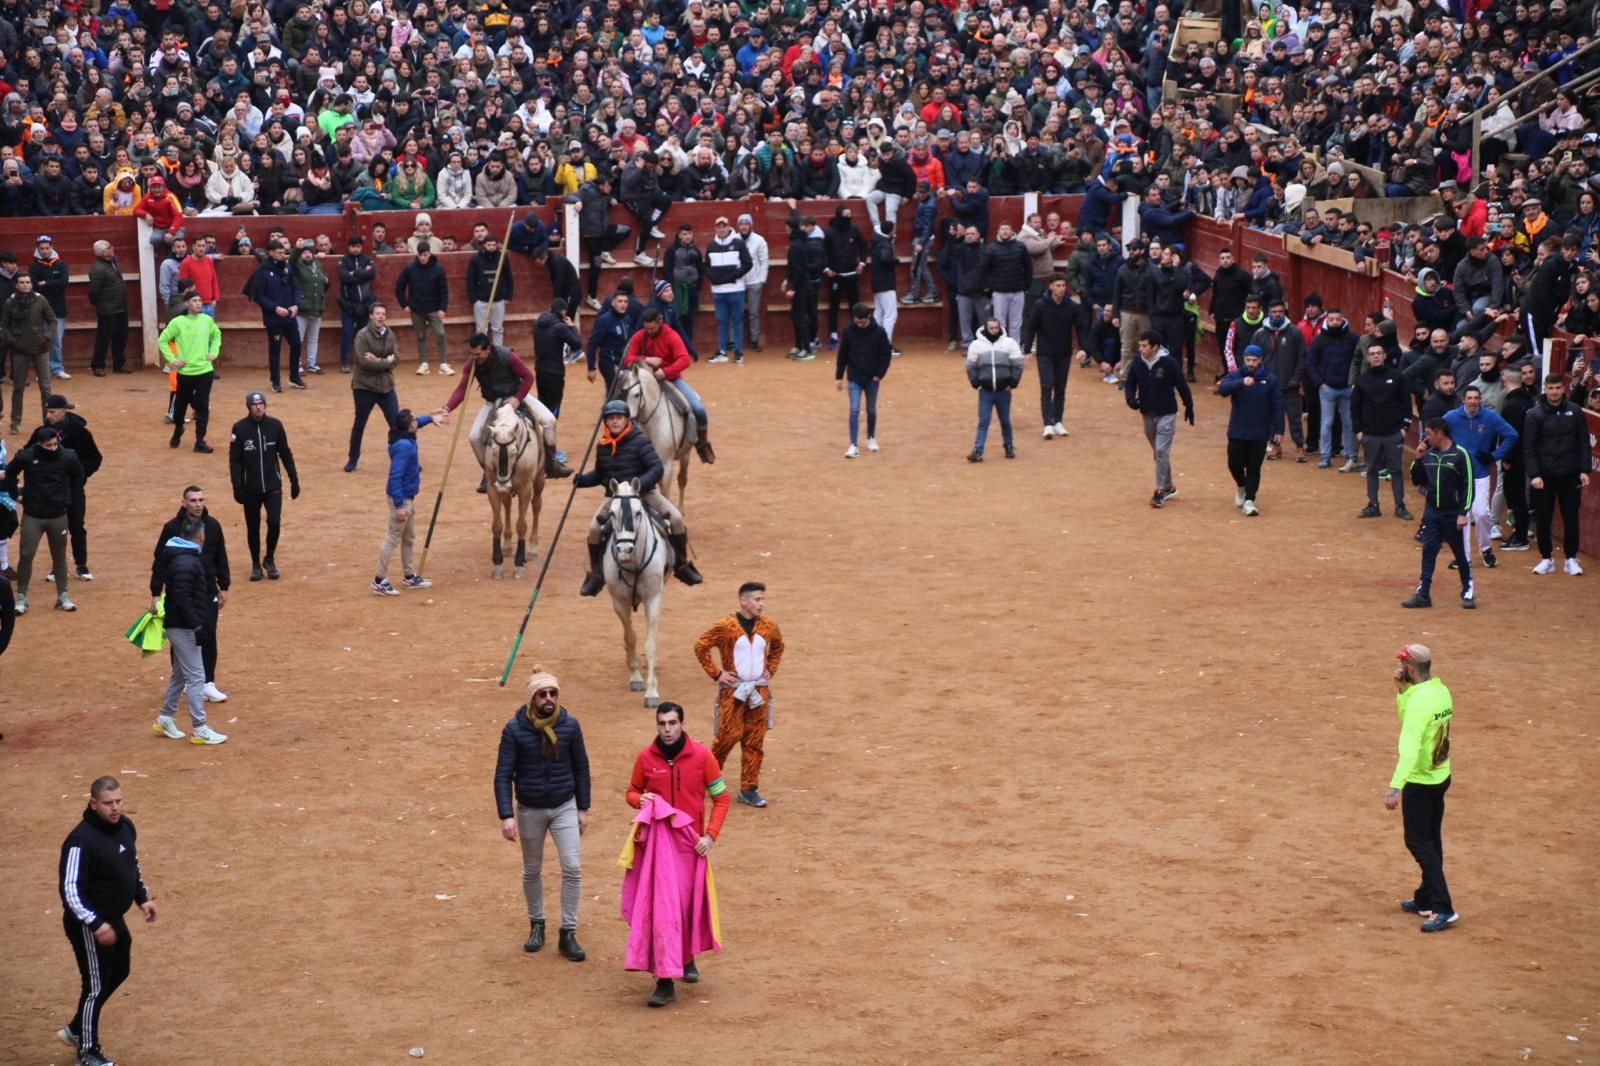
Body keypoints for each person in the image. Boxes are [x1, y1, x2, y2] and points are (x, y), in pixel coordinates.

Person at [624, 701, 731, 1007]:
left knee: (685, 907)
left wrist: (710, 836)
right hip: (657, 849)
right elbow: (631, 790)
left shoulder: (702, 756)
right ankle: (665, 981)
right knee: (661, 911)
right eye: (662, 724)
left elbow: (721, 797)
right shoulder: (646, 758)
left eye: (672, 723)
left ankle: (686, 958)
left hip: (689, 846)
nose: (667, 730)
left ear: (682, 724)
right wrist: (639, 799)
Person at [58, 775, 160, 1066]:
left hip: (113, 918)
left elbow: (132, 865)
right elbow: (69, 890)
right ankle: (87, 1052)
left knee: (119, 972)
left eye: (118, 801)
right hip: (89, 924)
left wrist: (143, 898)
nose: (115, 808)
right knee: (96, 984)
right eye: (108, 803)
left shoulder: (126, 826)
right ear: (93, 803)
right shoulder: (80, 841)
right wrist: (95, 923)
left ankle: (78, 1027)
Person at [495, 665, 591, 960]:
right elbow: (503, 775)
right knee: (532, 869)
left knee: (572, 867)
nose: (549, 698)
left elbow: (581, 767)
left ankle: (568, 932)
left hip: (564, 806)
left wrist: (583, 808)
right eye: (542, 694)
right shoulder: (514, 730)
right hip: (529, 809)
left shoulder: (570, 725)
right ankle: (537, 924)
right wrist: (506, 815)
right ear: (532, 698)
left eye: (553, 693)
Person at [575, 400, 704, 595]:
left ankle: (681, 564)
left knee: (676, 518)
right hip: (615, 497)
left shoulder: (640, 441)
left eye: (618, 418)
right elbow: (601, 474)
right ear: (606, 422)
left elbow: (656, 468)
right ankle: (597, 574)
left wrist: (638, 485)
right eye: (611, 419)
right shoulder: (603, 446)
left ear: (627, 420)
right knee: (594, 528)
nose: (615, 422)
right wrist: (582, 480)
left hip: (645, 493)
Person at [1385, 643, 1457, 933]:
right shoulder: (1440, 691)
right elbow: (1413, 721)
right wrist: (1403, 692)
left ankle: (1443, 908)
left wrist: (1395, 785)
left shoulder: (1418, 703)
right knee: (1431, 839)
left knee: (1418, 842)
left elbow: (1410, 746)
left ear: (1410, 668)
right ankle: (1426, 898)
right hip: (1440, 774)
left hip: (1420, 781)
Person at [696, 582, 786, 808]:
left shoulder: (768, 626)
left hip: (759, 693)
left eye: (763, 599)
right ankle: (708, 780)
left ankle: (749, 788)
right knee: (727, 737)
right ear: (743, 601)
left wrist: (771, 669)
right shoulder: (725, 626)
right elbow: (701, 646)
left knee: (755, 740)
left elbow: (778, 647)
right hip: (733, 693)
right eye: (757, 600)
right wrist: (716, 674)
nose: (761, 604)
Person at [439, 334, 573, 484]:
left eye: (478, 354)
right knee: (474, 437)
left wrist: (517, 399)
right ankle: (488, 472)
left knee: (549, 421)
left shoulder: (507, 356)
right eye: (472, 354)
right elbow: (462, 389)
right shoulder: (472, 364)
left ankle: (551, 463)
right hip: (492, 402)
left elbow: (528, 377)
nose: (475, 357)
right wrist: (447, 408)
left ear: (488, 349)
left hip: (517, 396)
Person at [150, 515, 229, 744]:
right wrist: (197, 625)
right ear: (201, 537)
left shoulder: (179, 557)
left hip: (179, 624)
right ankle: (200, 728)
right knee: (196, 677)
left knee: (181, 675)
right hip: (183, 626)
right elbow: (183, 599)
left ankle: (165, 718)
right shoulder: (187, 562)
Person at [3, 424, 84, 614]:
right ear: (39, 444)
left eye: (55, 444)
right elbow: (10, 473)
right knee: (26, 555)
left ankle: (63, 595)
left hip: (58, 516)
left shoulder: (68, 456)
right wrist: (16, 495)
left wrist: (68, 497)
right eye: (48, 445)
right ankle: (22, 597)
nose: (53, 448)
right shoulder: (27, 456)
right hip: (33, 516)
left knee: (59, 557)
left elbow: (79, 477)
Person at [1522, 373, 1593, 575]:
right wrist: (1534, 474)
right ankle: (1546, 558)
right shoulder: (1534, 415)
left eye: (1557, 388)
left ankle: (1571, 558)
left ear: (1563, 389)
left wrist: (1584, 470)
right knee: (1543, 518)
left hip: (1570, 474)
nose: (1554, 392)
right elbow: (1529, 447)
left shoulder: (1575, 411)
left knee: (1571, 517)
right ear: (1545, 389)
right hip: (1544, 476)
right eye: (1550, 388)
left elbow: (1583, 443)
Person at [623, 309, 716, 463]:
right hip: (646, 381)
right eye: (646, 328)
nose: (649, 331)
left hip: (671, 379)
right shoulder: (640, 335)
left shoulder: (671, 335)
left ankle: (702, 443)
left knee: (698, 407)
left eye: (652, 328)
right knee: (626, 404)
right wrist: (646, 359)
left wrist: (666, 372)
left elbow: (684, 359)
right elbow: (628, 359)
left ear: (660, 323)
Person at [1442, 385, 1518, 571]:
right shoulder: (1450, 417)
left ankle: (1485, 549)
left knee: (1482, 513)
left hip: (1480, 473)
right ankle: (1464, 557)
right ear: (1463, 400)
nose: (1473, 401)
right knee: (1463, 516)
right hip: (1457, 475)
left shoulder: (1490, 417)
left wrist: (1495, 455)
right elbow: (1437, 434)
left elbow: (1512, 434)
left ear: (1480, 399)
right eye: (1470, 398)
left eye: (1477, 398)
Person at [1402, 418, 1475, 609]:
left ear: (1439, 433)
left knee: (1460, 554)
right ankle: (1423, 594)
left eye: (1428, 433)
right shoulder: (1429, 455)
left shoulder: (1461, 455)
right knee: (1429, 552)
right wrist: (1418, 458)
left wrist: (1463, 512)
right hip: (1432, 512)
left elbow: (1469, 486)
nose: (1426, 437)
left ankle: (1468, 591)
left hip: (1453, 513)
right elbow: (1417, 480)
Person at [228, 391, 300, 582]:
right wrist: (237, 487)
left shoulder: (275, 426)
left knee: (274, 521)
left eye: (261, 404)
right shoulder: (239, 428)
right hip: (250, 488)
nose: (258, 407)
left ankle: (269, 558)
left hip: (272, 485)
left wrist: (294, 479)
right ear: (249, 407)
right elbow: (234, 461)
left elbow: (285, 453)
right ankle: (255, 564)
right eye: (254, 404)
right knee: (253, 527)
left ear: (265, 406)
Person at [1124, 332, 1195, 509]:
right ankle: (1169, 486)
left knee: (1161, 451)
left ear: (1155, 347)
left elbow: (1181, 384)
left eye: (1144, 346)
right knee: (1159, 451)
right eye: (1140, 345)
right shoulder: (1138, 362)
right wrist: (1130, 399)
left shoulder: (1169, 363)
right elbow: (1130, 382)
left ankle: (1159, 491)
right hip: (1147, 412)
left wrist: (1189, 406)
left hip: (1167, 413)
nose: (1140, 349)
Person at [372, 408, 438, 595]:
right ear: (409, 426)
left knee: (408, 537)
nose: (416, 422)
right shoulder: (404, 446)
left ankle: (409, 576)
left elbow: (419, 422)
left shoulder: (401, 437)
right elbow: (395, 477)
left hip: (407, 497)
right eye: (413, 420)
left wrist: (432, 418)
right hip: (401, 499)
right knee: (392, 538)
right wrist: (399, 505)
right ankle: (379, 580)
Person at [1351, 343, 1416, 521]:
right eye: (1372, 354)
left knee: (1395, 469)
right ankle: (1373, 505)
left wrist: (1405, 427)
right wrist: (1358, 431)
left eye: (1379, 353)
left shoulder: (1397, 377)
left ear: (1385, 355)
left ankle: (1400, 506)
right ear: (1368, 358)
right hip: (1370, 434)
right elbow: (1354, 407)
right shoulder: (1362, 380)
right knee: (1371, 469)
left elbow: (1406, 403)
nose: (1376, 356)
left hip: (1393, 433)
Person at [1217, 344, 1283, 516]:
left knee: (1254, 467)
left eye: (1254, 360)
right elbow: (1222, 389)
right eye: (1248, 360)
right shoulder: (1236, 375)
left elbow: (1277, 405)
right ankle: (1241, 486)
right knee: (1234, 463)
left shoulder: (1270, 379)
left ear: (1261, 360)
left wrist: (1279, 430)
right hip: (1237, 429)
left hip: (1259, 431)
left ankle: (1249, 500)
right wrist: (1241, 383)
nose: (1251, 363)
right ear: (1244, 360)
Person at [44, 396, 102, 583]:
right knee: (56, 529)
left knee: (76, 526)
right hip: (51, 490)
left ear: (63, 411)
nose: (48, 415)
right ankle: (57, 567)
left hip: (73, 489)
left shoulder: (80, 432)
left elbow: (95, 458)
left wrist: (80, 475)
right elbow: (29, 453)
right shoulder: (43, 432)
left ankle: (81, 565)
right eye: (47, 411)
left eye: (52, 412)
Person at [159, 291, 222, 452]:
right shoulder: (178, 322)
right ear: (187, 303)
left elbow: (217, 335)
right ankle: (178, 428)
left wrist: (214, 352)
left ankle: (200, 440)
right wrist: (172, 360)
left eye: (200, 300)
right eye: (194, 300)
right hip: (186, 373)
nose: (199, 303)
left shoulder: (207, 320)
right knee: (180, 407)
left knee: (202, 406)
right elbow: (163, 340)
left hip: (205, 371)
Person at [345, 302, 402, 472]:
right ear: (370, 316)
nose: (380, 317)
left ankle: (402, 459)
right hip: (364, 387)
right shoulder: (362, 336)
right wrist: (385, 361)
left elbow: (397, 358)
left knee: (397, 425)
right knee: (360, 424)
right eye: (377, 313)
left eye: (383, 314)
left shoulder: (390, 334)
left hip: (386, 387)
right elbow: (363, 362)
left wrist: (377, 360)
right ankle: (352, 459)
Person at [1021, 274, 1077, 439]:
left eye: (1063, 285)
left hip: (1064, 353)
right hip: (1045, 353)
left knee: (1060, 388)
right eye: (1058, 285)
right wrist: (1027, 350)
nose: (1061, 288)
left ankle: (1058, 421)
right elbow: (1030, 328)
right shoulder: (1040, 305)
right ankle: (1048, 423)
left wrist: (1084, 349)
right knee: (1047, 386)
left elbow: (1081, 327)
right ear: (1050, 286)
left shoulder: (1071, 307)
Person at [1252, 300, 1308, 460]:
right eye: (1274, 311)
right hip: (1269, 385)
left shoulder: (1295, 332)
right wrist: (1260, 379)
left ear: (1284, 313)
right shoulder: (1260, 334)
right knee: (1271, 418)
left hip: (1290, 384)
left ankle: (1299, 446)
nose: (1277, 314)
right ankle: (1275, 446)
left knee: (1295, 418)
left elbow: (1301, 357)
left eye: (1280, 312)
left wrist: (1296, 378)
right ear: (1268, 312)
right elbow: (1253, 359)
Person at [835, 303, 893, 459]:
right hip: (854, 377)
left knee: (871, 409)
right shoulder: (848, 332)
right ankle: (853, 444)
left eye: (862, 321)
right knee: (854, 409)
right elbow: (842, 355)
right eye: (857, 321)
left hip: (871, 378)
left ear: (868, 317)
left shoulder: (879, 332)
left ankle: (870, 437)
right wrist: (839, 377)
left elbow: (886, 355)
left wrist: (879, 375)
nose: (859, 324)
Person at [3, 271, 56, 433]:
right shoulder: (10, 303)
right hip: (20, 350)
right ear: (16, 285)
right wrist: (12, 340)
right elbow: (4, 325)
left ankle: (48, 421)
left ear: (31, 284)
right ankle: (15, 421)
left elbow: (52, 320)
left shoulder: (40, 300)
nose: (25, 285)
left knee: (46, 387)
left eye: (27, 282)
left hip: (40, 348)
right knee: (18, 387)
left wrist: (46, 337)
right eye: (22, 282)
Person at [965, 318, 1025, 462]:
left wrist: (1013, 383)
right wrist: (975, 383)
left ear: (999, 328)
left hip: (1003, 390)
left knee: (1005, 420)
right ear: (986, 329)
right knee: (984, 421)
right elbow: (970, 366)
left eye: (996, 328)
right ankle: (978, 450)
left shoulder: (1009, 343)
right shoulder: (976, 345)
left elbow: (1018, 364)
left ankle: (1008, 446)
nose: (993, 331)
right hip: (985, 391)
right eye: (991, 328)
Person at [1307, 308, 1361, 469]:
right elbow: (1310, 363)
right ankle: (1325, 455)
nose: (1335, 322)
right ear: (1327, 320)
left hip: (1348, 387)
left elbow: (1360, 359)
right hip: (1327, 388)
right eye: (1332, 319)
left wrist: (1354, 381)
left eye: (1338, 319)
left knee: (1349, 423)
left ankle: (1351, 456)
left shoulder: (1352, 338)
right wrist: (1320, 383)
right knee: (1327, 422)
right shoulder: (1319, 340)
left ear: (1343, 319)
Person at [251, 240, 305, 393]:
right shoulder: (263, 271)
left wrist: (296, 304)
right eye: (280, 253)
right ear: (271, 253)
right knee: (275, 349)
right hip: (274, 318)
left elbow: (295, 286)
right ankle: (275, 380)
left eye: (284, 253)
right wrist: (275, 308)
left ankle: (294, 377)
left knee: (296, 344)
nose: (283, 256)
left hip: (289, 316)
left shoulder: (287, 267)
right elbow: (259, 297)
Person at [394, 242, 451, 376]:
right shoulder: (410, 268)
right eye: (420, 255)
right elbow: (399, 287)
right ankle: (424, 364)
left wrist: (443, 308)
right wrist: (404, 304)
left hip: (434, 308)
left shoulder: (438, 269)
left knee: (440, 334)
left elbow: (444, 291)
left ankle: (443, 363)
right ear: (417, 254)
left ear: (429, 253)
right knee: (420, 336)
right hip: (417, 309)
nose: (423, 258)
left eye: (425, 255)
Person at [705, 216, 754, 364]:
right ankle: (722, 351)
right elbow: (706, 266)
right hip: (718, 291)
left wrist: (734, 276)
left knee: (737, 320)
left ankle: (738, 352)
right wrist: (713, 278)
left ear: (729, 227)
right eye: (719, 227)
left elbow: (748, 263)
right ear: (716, 229)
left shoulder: (738, 243)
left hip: (735, 289)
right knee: (722, 321)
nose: (721, 229)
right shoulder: (711, 245)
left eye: (724, 226)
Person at [532, 299, 583, 418]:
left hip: (540, 370)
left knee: (542, 406)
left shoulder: (536, 324)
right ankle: (548, 436)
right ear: (564, 313)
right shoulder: (560, 328)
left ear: (550, 309)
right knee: (552, 412)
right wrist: (572, 327)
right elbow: (577, 344)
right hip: (555, 373)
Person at [86, 241, 131, 376]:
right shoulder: (98, 269)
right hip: (107, 310)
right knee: (104, 338)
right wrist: (101, 305)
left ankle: (119, 363)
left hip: (120, 307)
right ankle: (98, 365)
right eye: (110, 247)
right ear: (104, 252)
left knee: (121, 336)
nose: (113, 248)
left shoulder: (112, 262)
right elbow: (93, 292)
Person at [30, 234, 70, 379]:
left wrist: (45, 283)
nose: (45, 251)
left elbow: (63, 282)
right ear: (38, 249)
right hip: (39, 309)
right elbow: (33, 286)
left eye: (47, 248)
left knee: (56, 341)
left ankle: (57, 368)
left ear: (52, 247)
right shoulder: (34, 266)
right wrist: (53, 283)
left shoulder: (60, 263)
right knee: (40, 340)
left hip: (58, 308)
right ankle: (42, 370)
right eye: (42, 249)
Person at [337, 234, 377, 372]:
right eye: (353, 246)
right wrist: (361, 274)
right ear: (349, 247)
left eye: (358, 246)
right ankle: (345, 362)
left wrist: (354, 273)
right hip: (348, 304)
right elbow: (344, 277)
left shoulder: (367, 259)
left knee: (363, 335)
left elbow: (371, 274)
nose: (355, 249)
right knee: (348, 333)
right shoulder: (344, 260)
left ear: (361, 247)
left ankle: (362, 361)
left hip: (365, 304)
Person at [468, 230, 511, 347]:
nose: (491, 247)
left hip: (498, 300)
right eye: (488, 245)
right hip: (481, 301)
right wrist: (474, 299)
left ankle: (498, 353)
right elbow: (470, 279)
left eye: (493, 245)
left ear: (497, 245)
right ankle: (482, 353)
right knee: (481, 330)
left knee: (497, 329)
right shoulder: (476, 259)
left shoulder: (502, 257)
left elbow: (508, 277)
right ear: (484, 245)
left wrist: (508, 295)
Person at [293, 241, 330, 375]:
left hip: (316, 308)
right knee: (298, 339)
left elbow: (324, 284)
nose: (308, 254)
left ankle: (312, 364)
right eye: (305, 252)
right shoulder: (297, 266)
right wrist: (297, 249)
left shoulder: (318, 265)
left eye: (309, 252)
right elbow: (291, 260)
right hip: (302, 309)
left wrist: (327, 281)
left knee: (313, 339)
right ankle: (296, 365)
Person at [736, 214, 769, 352]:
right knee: (736, 313)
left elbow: (764, 261)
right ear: (738, 226)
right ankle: (734, 341)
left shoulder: (759, 240)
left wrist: (762, 279)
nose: (744, 226)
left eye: (746, 224)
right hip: (737, 282)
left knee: (753, 313)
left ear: (750, 225)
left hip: (754, 281)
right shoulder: (734, 239)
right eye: (741, 224)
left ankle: (754, 340)